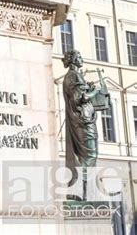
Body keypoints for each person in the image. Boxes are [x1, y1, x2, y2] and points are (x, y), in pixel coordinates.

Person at [62, 50, 100, 200]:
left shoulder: (76, 76)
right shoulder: (73, 76)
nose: (81, 58)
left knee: (88, 156)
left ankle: (83, 193)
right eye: (78, 56)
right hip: (83, 122)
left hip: (85, 120)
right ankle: (78, 190)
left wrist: (88, 88)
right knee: (90, 155)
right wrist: (94, 92)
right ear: (72, 60)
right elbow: (80, 98)